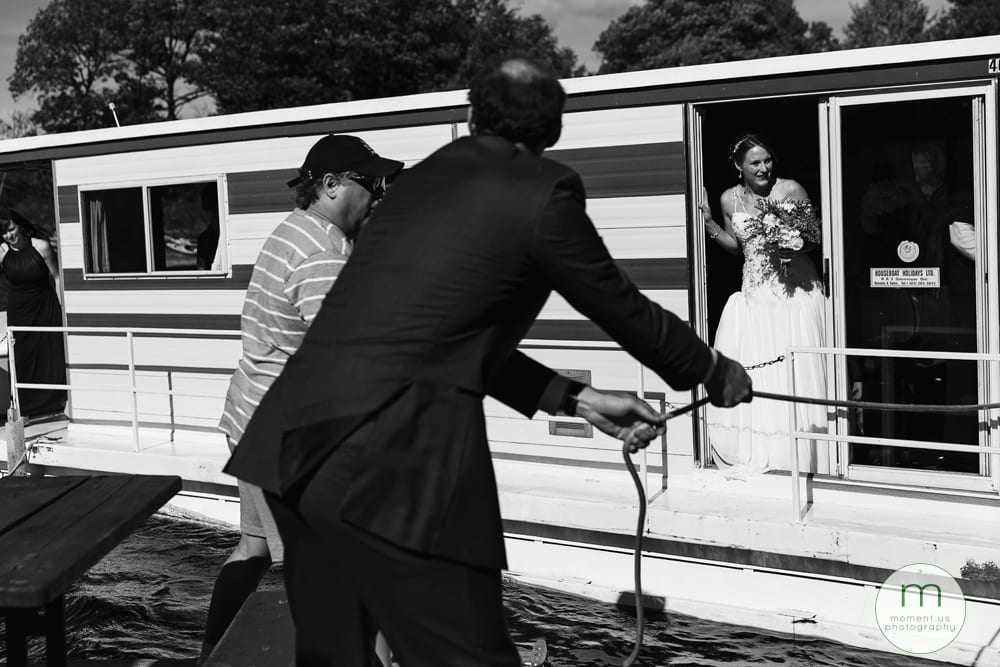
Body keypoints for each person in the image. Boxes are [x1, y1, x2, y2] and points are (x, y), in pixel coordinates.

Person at [224, 58, 751, 666]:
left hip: (291, 450)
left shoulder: (412, 188)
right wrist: (712, 369)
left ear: (473, 118)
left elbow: (430, 335)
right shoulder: (543, 192)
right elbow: (620, 306)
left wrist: (576, 400)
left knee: (334, 659)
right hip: (394, 464)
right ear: (551, 133)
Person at [199, 135, 403, 665]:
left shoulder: (297, 232)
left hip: (252, 415)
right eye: (371, 182)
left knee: (254, 548)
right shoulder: (320, 253)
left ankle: (211, 654)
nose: (380, 194)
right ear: (330, 185)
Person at [700, 133, 829, 480]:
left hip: (793, 294)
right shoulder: (729, 198)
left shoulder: (790, 190)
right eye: (755, 163)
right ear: (739, 167)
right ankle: (765, 447)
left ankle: (805, 454)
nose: (764, 168)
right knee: (761, 367)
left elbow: (816, 236)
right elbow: (736, 245)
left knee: (795, 371)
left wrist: (795, 246)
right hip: (756, 294)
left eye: (767, 160)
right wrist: (711, 225)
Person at [0, 208, 67, 419]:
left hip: (45, 309)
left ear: (20, 225)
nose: (9, 235)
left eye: (11, 229)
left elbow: (57, 278)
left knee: (51, 356)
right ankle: (27, 410)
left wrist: (63, 310)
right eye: (4, 233)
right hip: (19, 312)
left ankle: (55, 406)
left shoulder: (42, 246)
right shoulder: (1, 251)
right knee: (22, 359)